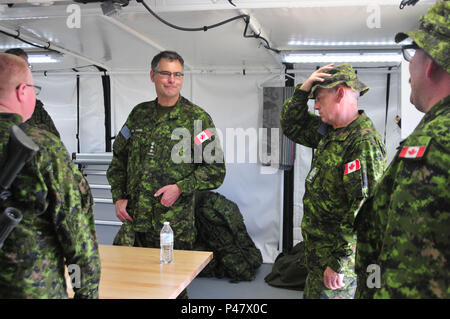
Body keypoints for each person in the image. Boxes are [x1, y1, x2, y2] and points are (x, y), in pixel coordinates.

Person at [355, 0, 449, 299]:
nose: (410, 65)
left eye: (413, 52)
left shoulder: (435, 145)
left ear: (432, 61)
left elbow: (409, 275)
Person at [280, 64, 387, 299]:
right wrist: (303, 90)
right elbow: (291, 124)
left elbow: (361, 210)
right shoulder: (331, 131)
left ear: (340, 93)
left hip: (337, 265)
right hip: (319, 256)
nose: (315, 105)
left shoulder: (362, 142)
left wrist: (338, 262)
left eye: (318, 98)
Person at [0, 53, 101, 299]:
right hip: (32, 291)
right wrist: (85, 292)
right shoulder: (43, 147)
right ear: (23, 91)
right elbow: (76, 237)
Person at [107, 50, 226, 251]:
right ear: (153, 76)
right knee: (132, 280)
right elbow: (119, 160)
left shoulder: (197, 120)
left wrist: (180, 187)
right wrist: (118, 197)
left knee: (172, 281)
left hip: (173, 227)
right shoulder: (139, 114)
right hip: (135, 225)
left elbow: (215, 169)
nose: (172, 80)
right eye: (165, 73)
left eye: (177, 74)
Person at [4, 48, 61, 138]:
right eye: (20, 67)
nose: (26, 71)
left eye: (27, 67)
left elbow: (55, 138)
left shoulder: (36, 108)